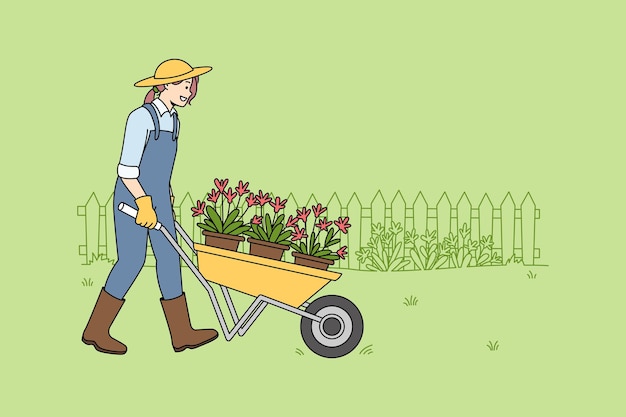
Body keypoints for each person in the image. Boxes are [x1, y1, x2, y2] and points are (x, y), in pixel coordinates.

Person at [82, 59, 218, 354]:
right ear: (165, 85)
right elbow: (127, 169)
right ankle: (96, 330)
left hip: (159, 201)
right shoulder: (141, 118)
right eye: (184, 85)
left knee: (170, 260)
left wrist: (165, 191)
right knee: (131, 261)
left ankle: (182, 332)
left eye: (190, 85)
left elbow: (161, 166)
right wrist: (144, 202)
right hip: (132, 199)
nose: (189, 91)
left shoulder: (175, 120)